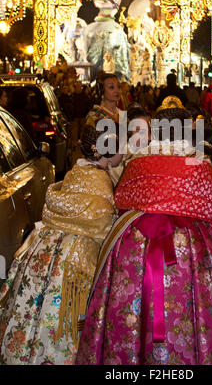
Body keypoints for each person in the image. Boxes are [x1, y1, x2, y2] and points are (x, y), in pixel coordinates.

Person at [76, 106, 212, 366]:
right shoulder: (197, 161)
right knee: (195, 311)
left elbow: (122, 199)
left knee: (130, 311)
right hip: (190, 247)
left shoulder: (138, 161)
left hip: (136, 245)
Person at [0, 123, 122, 365]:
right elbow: (103, 223)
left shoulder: (76, 173)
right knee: (64, 317)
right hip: (75, 261)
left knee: (36, 307)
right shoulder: (100, 181)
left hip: (47, 248)